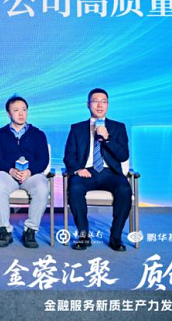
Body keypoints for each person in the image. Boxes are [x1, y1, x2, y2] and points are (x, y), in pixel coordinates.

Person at [64, 88, 132, 252]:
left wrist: (107, 138)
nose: (100, 105)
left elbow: (123, 155)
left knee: (124, 189)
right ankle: (83, 236)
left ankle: (116, 238)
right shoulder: (77, 128)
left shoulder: (118, 127)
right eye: (95, 101)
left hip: (111, 172)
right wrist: (77, 169)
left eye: (104, 101)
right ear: (88, 104)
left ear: (108, 105)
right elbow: (69, 156)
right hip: (87, 172)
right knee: (75, 187)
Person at [0, 95, 49, 248]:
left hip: (31, 175)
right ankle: (5, 231)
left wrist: (30, 171)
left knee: (42, 188)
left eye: (24, 110)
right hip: (8, 174)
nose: (21, 114)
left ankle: (30, 231)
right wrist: (10, 170)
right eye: (16, 110)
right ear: (8, 114)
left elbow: (43, 160)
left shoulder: (38, 134)